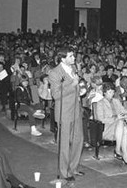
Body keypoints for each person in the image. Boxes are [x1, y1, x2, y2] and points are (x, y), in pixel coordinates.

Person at [48, 47, 84, 182]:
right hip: (64, 111)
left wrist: (80, 89)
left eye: (73, 56)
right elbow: (56, 95)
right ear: (63, 58)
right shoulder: (54, 73)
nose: (74, 58)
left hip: (76, 110)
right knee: (64, 143)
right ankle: (64, 172)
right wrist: (73, 85)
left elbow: (76, 87)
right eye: (71, 56)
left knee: (78, 140)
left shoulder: (73, 69)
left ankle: (73, 168)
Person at [95, 82, 127, 165]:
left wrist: (125, 116)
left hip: (120, 127)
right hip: (107, 128)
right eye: (109, 92)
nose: (111, 94)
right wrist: (116, 118)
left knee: (123, 127)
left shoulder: (116, 101)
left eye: (112, 92)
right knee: (123, 126)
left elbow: (125, 112)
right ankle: (119, 151)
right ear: (104, 93)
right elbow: (101, 119)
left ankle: (122, 152)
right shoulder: (100, 103)